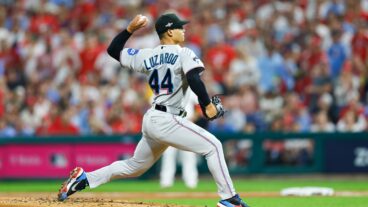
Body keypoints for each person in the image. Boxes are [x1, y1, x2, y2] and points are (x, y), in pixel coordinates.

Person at [57, 13, 250, 207]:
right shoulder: (184, 53)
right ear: (169, 31)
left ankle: (84, 179)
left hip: (153, 118)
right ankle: (230, 199)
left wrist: (129, 30)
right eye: (179, 27)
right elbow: (193, 78)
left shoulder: (148, 54)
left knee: (134, 166)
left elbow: (114, 50)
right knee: (213, 146)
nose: (183, 30)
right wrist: (207, 105)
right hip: (168, 118)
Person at [159, 89, 198, 189]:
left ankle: (191, 181)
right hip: (171, 126)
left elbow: (200, 105)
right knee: (168, 155)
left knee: (189, 155)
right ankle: (166, 181)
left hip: (187, 126)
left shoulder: (190, 89)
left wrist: (193, 117)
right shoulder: (167, 89)